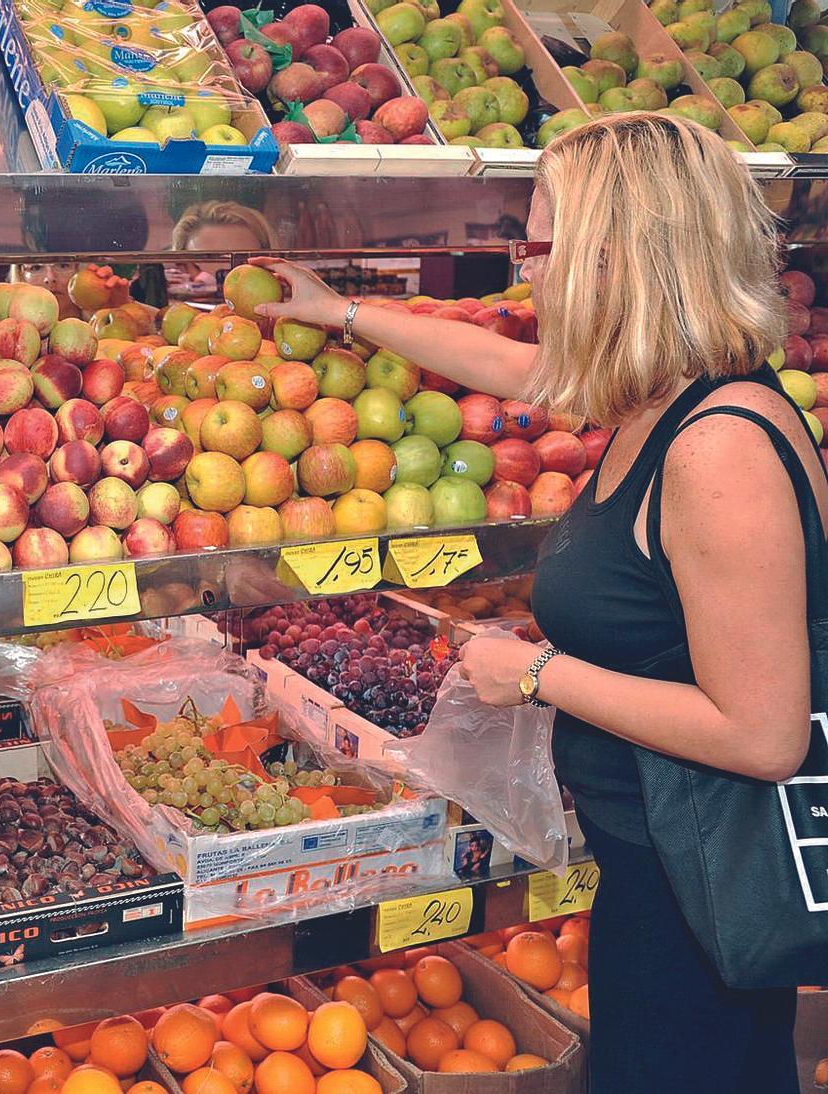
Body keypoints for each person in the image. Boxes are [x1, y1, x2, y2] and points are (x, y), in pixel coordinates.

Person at [253, 113, 825, 1094]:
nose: (530, 276)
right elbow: (519, 369)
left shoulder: (718, 447)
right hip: (660, 873)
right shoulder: (667, 394)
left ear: (618, 256)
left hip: (700, 906)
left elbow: (764, 733)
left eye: (543, 247)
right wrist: (340, 313)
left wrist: (536, 673)